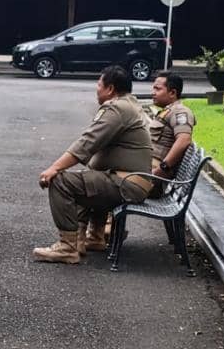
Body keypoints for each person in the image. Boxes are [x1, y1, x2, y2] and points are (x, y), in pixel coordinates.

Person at [33, 65, 154, 264]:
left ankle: (67, 247)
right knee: (89, 178)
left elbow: (87, 143)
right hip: (130, 181)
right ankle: (94, 237)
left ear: (110, 89)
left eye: (99, 84)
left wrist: (55, 168)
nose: (96, 88)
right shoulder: (130, 105)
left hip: (126, 183)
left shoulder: (117, 108)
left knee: (62, 181)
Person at [146, 70, 196, 194]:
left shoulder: (180, 112)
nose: (153, 93)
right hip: (144, 172)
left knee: (98, 184)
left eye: (158, 89)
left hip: (151, 179)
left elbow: (184, 140)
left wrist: (160, 170)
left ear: (172, 92)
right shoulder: (167, 111)